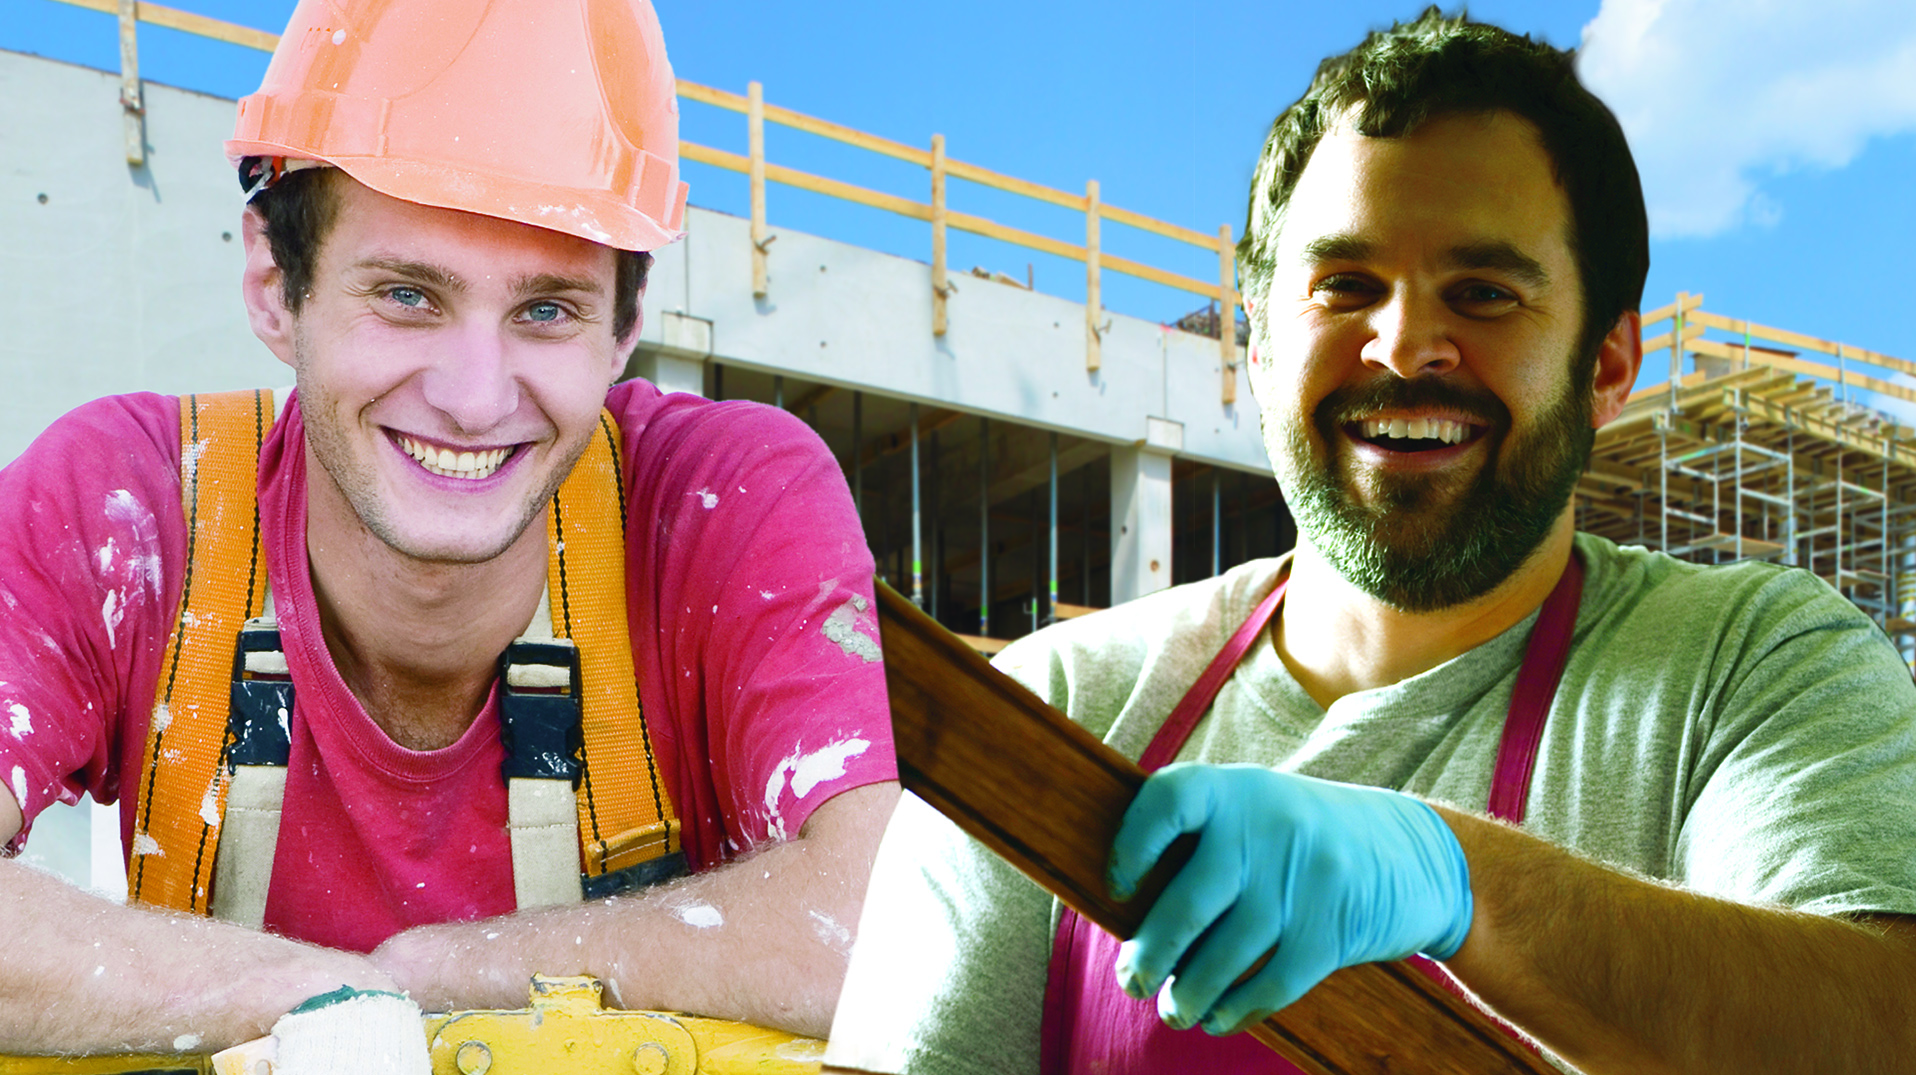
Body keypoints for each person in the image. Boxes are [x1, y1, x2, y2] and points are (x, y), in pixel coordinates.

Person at [821, 10, 1916, 1075]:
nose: (1402, 346)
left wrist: (1460, 887)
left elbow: (1885, 1026)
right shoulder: (1052, 713)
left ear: (1606, 365)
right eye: (1344, 286)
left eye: (1481, 292)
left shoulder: (1749, 667)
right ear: (1255, 345)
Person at [0, 0, 898, 1058]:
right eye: (408, 295)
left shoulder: (720, 504)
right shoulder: (132, 505)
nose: (475, 399)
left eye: (547, 310)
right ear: (273, 285)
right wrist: (326, 1000)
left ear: (625, 327)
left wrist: (430, 974)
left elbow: (877, 926)